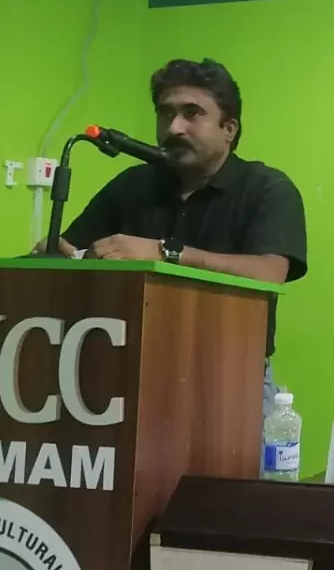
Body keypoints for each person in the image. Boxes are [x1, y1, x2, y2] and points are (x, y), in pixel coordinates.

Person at [40, 58, 307, 414]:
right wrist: (57, 258)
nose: (174, 127)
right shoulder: (130, 185)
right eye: (165, 113)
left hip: (228, 379)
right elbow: (72, 250)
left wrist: (166, 253)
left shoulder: (268, 189)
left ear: (229, 129)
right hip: (122, 377)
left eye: (192, 113)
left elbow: (269, 272)